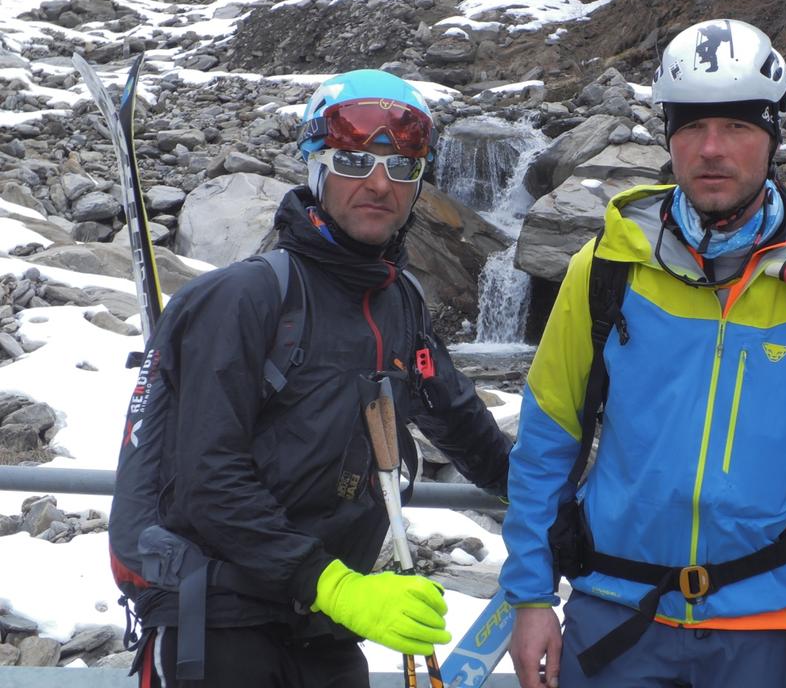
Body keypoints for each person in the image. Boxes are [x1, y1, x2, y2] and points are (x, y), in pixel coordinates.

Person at [500, 19, 786, 688]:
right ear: (669, 136)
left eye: (738, 126)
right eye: (691, 126)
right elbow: (547, 444)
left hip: (763, 627)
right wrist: (531, 597)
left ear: (773, 135)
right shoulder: (604, 268)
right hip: (615, 616)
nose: (711, 148)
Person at [110, 69, 511, 688]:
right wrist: (334, 584)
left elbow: (457, 417)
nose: (380, 184)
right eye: (353, 162)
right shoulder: (246, 297)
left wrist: (556, 513)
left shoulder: (398, 300)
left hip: (323, 629)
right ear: (316, 166)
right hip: (217, 622)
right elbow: (206, 480)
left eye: (402, 168)